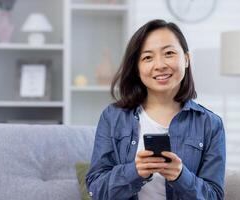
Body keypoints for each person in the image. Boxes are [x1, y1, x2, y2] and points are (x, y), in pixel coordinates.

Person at [86, 19, 226, 200]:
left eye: (168, 53)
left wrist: (180, 176)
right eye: (147, 57)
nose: (159, 65)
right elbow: (96, 190)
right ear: (137, 68)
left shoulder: (210, 124)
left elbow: (214, 196)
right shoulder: (113, 117)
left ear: (186, 59)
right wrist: (134, 172)